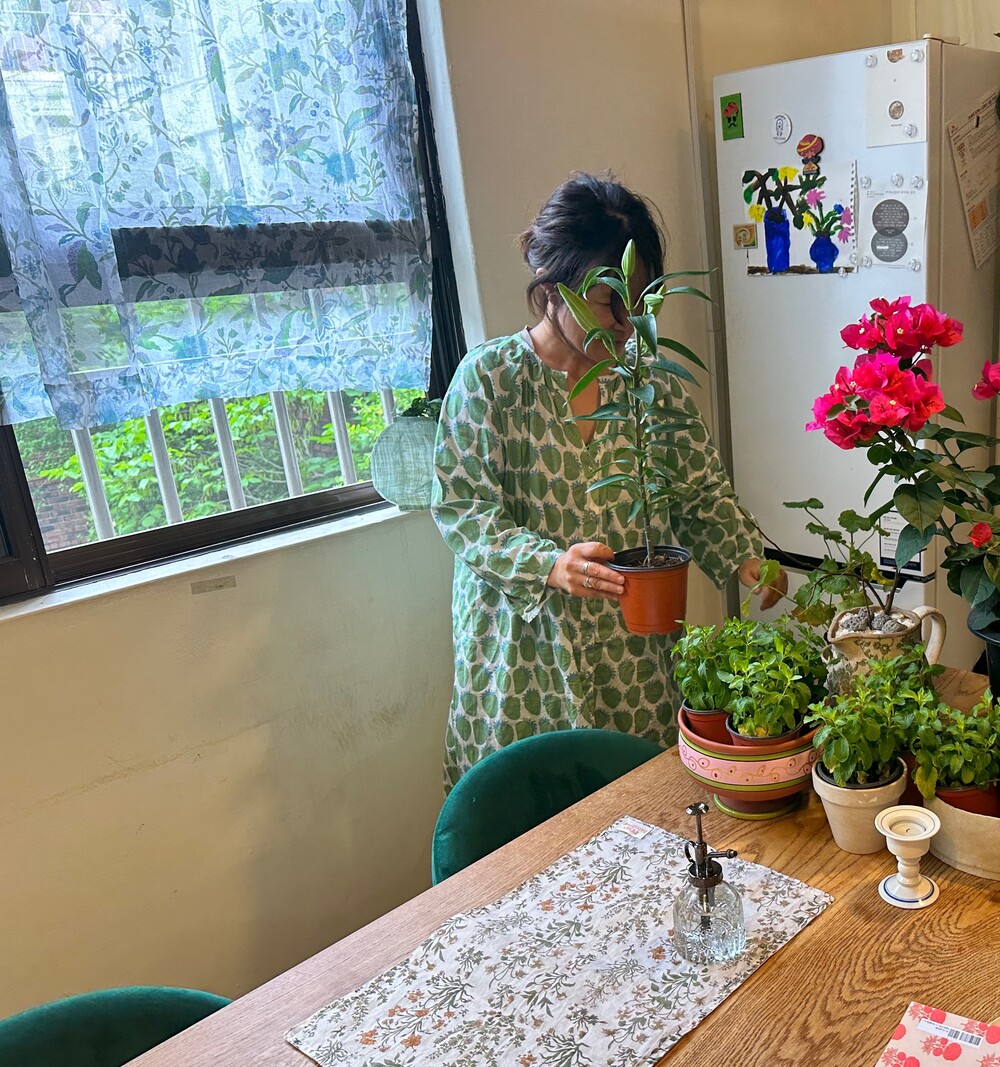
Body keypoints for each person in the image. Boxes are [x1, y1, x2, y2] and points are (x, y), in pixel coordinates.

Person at [431, 173, 786, 792]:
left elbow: (699, 490)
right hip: (526, 656)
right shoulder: (491, 379)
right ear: (551, 290)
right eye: (607, 303)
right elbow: (463, 507)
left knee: (638, 806)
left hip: (631, 654)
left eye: (641, 301)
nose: (627, 324)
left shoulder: (650, 384)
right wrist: (549, 564)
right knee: (531, 818)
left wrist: (745, 558)